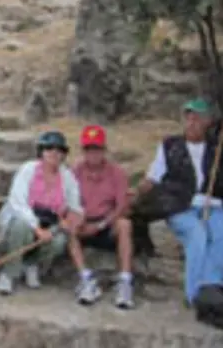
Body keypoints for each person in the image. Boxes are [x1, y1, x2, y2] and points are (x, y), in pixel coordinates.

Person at [133, 98, 223, 329]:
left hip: (213, 203)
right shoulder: (169, 145)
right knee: (197, 234)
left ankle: (215, 288)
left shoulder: (221, 146)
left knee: (222, 234)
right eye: (188, 116)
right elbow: (153, 177)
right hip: (179, 204)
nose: (192, 121)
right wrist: (135, 192)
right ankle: (196, 294)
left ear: (208, 121)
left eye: (197, 116)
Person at [0, 131, 83, 295]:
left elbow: (75, 207)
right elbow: (18, 202)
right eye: (49, 148)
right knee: (21, 226)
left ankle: (30, 264)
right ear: (41, 151)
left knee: (59, 241)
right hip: (24, 220)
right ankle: (9, 273)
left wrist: (69, 220)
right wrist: (37, 229)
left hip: (49, 222)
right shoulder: (28, 170)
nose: (54, 153)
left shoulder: (67, 177)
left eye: (59, 150)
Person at [71, 125, 135, 309]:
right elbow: (69, 200)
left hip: (107, 222)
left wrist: (101, 225)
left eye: (97, 149)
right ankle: (86, 279)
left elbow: (122, 205)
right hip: (84, 221)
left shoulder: (117, 173)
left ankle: (125, 281)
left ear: (104, 150)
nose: (93, 154)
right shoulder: (75, 172)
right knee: (69, 227)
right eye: (89, 149)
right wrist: (78, 218)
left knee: (125, 225)